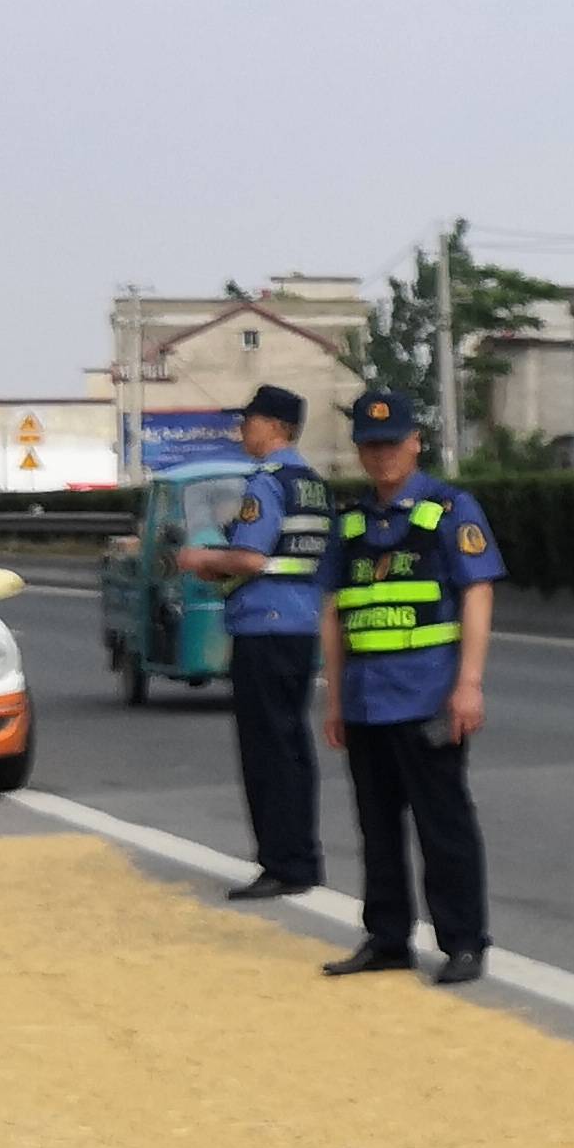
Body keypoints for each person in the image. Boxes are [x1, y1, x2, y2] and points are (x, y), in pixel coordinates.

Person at [317, 387, 501, 986]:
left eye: (392, 443)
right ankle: (388, 936)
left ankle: (464, 943)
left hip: (429, 697)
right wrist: (336, 698)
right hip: (368, 701)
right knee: (377, 828)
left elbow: (478, 591)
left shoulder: (450, 510)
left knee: (443, 826)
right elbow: (335, 613)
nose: (382, 456)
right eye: (371, 446)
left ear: (416, 443)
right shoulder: (349, 524)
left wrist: (468, 685)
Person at [178, 384, 334, 902]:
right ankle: (303, 858)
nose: (242, 428)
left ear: (274, 427)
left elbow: (249, 558)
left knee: (265, 752)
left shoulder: (265, 483)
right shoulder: (311, 483)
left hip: (263, 627)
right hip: (300, 626)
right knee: (293, 748)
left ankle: (280, 863)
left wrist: (201, 560)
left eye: (249, 420)